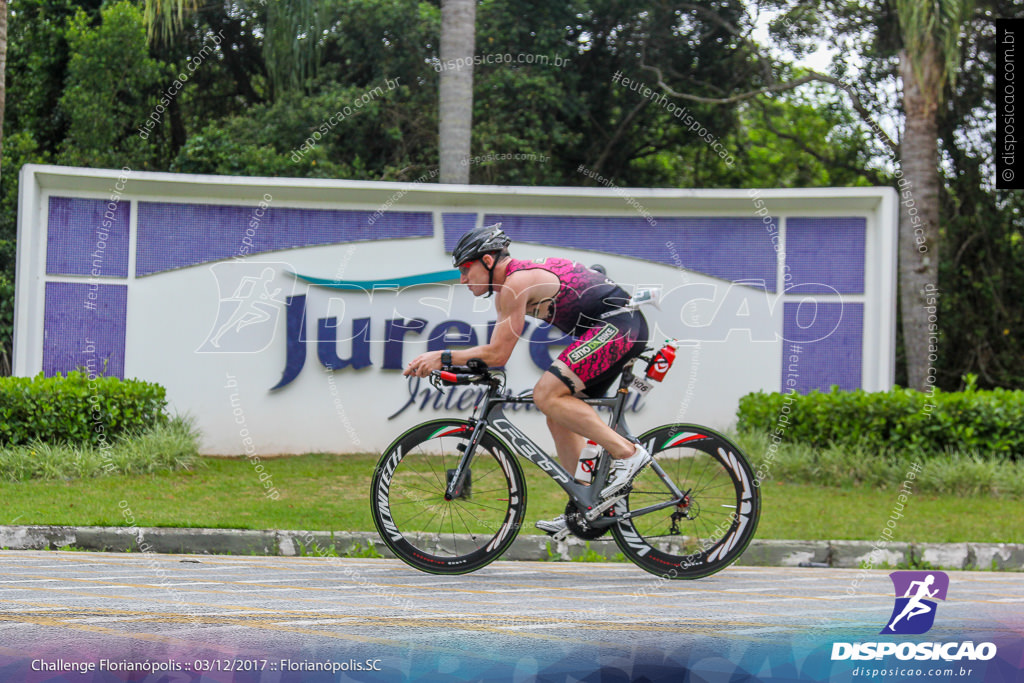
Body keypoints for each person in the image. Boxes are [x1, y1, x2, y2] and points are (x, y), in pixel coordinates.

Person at [402, 223, 652, 537]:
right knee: (558, 416)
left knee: (546, 394)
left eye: (466, 269)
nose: (462, 279)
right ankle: (587, 503)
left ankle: (628, 454)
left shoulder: (514, 284)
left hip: (618, 326)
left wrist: (442, 356)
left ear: (488, 261)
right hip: (613, 326)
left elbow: (498, 354)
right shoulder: (515, 281)